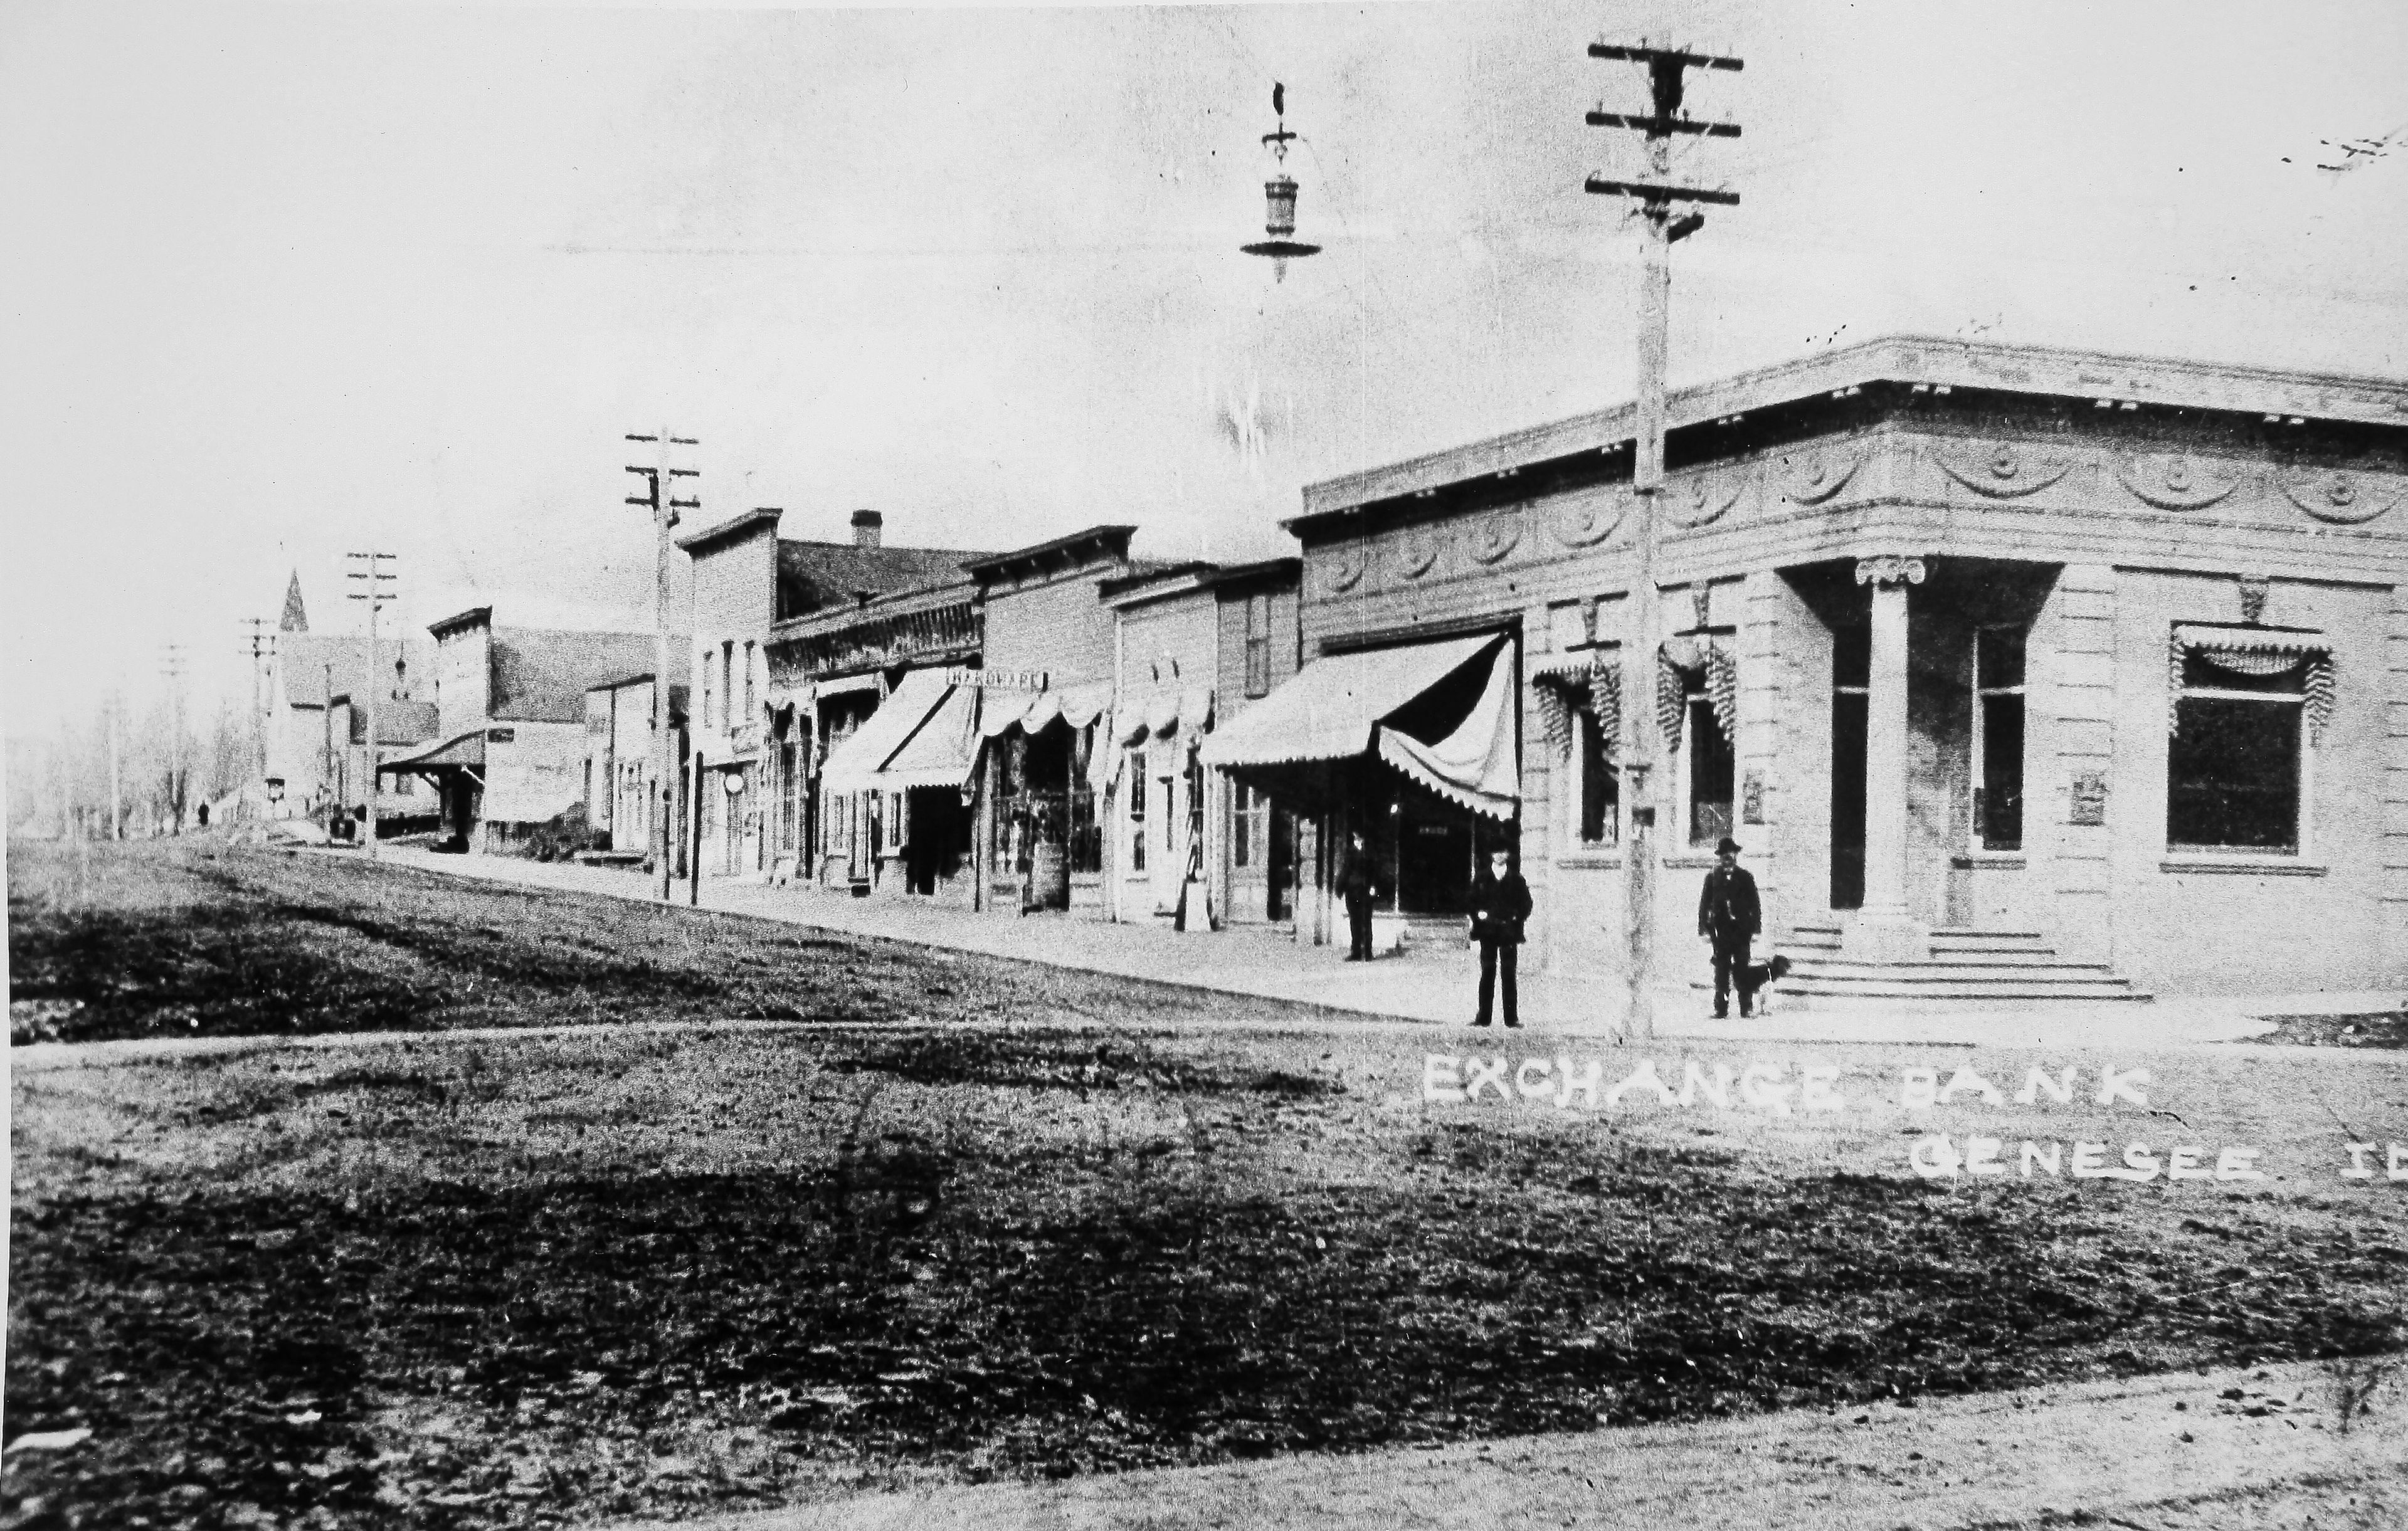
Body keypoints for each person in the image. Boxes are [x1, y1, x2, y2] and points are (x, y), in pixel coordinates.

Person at [1697, 836, 1762, 1018]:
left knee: (1742, 969)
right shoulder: (1712, 878)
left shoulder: (1746, 877)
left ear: (1736, 856)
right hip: (1721, 932)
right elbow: (1704, 904)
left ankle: (1746, 1008)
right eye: (1724, 856)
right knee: (1722, 971)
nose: (1728, 858)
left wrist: (1756, 929)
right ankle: (1721, 1009)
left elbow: (1755, 904)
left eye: (1731, 855)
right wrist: (1704, 930)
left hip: (1742, 932)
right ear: (1720, 858)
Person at [1468, 846, 1533, 1028]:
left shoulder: (1516, 879)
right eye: (1495, 851)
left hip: (1508, 933)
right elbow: (1471, 901)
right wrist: (1478, 916)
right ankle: (1483, 1017)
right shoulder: (1481, 878)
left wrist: (1516, 918)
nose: (1499, 855)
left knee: (1508, 974)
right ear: (1491, 854)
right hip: (1487, 932)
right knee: (1487, 973)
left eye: (1503, 852)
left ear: (1508, 855)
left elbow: (1526, 904)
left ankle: (1511, 1019)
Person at [1339, 829, 1378, 960]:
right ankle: (1356, 952)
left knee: (1366, 921)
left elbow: (1374, 872)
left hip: (1365, 890)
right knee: (1354, 922)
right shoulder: (1350, 852)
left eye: (1359, 839)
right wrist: (1340, 887)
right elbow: (1345, 870)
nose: (1357, 841)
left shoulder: (1370, 853)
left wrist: (1373, 886)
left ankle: (1368, 952)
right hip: (1352, 891)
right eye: (1355, 839)